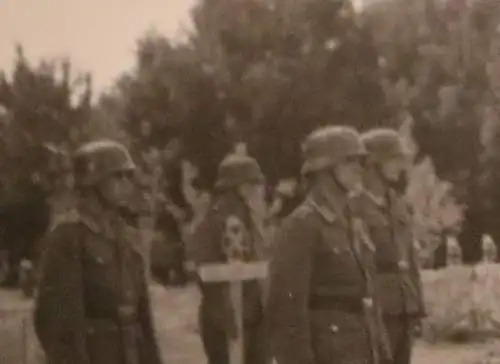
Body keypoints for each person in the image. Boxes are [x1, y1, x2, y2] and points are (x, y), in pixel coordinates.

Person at [267, 125, 391, 364]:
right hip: (328, 353)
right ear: (325, 168)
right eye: (349, 160)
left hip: (360, 349)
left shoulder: (349, 221)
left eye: (360, 160)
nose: (358, 168)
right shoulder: (302, 224)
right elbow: (288, 310)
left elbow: (367, 297)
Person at [34, 139, 163, 364]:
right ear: (94, 181)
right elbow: (57, 322)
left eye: (128, 176)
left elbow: (143, 317)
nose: (126, 183)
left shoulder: (126, 236)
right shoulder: (69, 236)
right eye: (118, 176)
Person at [191, 152, 269, 364]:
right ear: (240, 186)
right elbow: (205, 273)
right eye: (253, 184)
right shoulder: (217, 220)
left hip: (252, 316)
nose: (257, 190)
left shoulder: (250, 216)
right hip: (227, 319)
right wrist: (229, 318)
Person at [360, 128, 426, 364]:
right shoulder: (354, 206)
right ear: (373, 163)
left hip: (403, 305)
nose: (401, 165)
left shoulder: (398, 204)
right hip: (375, 308)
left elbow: (411, 257)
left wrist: (417, 305)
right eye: (394, 159)